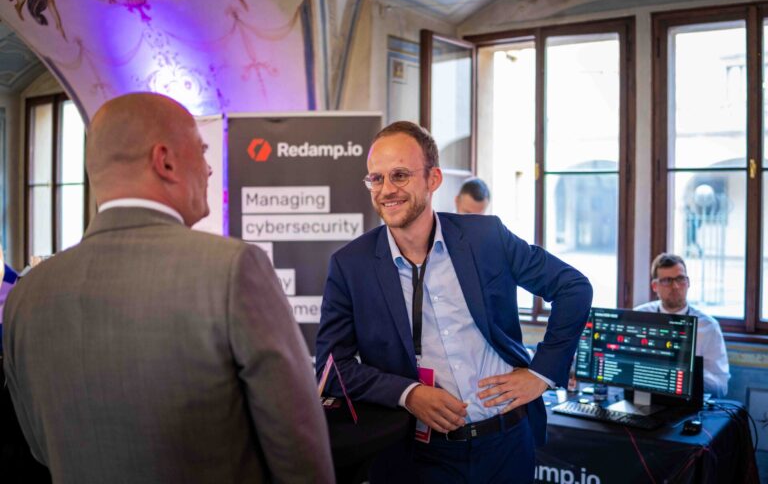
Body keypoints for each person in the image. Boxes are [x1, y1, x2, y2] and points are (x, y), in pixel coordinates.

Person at [2, 92, 334, 484]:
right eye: (202, 151)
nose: (209, 169)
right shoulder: (233, 268)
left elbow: (39, 446)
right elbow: (299, 449)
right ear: (166, 161)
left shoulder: (27, 293)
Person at [316, 121, 592, 483]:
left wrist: (541, 373)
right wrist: (408, 394)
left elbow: (573, 288)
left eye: (400, 175)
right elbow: (332, 367)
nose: (387, 190)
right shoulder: (351, 265)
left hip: (507, 445)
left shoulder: (485, 237)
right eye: (376, 179)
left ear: (433, 179)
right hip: (416, 457)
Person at [635, 252, 730, 397]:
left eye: (680, 279)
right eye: (667, 280)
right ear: (655, 286)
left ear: (688, 283)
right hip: (642, 398)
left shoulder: (709, 326)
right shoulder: (639, 317)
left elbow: (721, 388)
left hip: (688, 403)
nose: (675, 286)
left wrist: (688, 368)